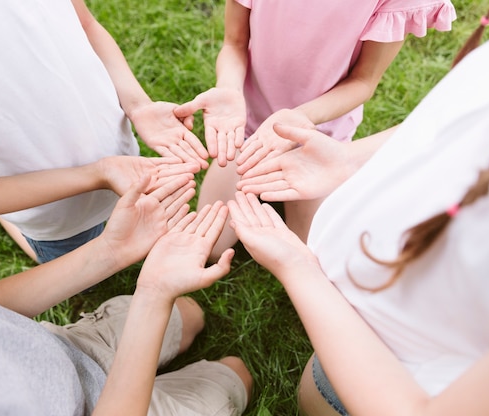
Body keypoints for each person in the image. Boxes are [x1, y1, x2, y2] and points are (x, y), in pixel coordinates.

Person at [227, 11, 489, 416]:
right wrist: (348, 160)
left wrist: (298, 268)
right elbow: (454, 127)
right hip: (361, 323)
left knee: (326, 395)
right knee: (318, 387)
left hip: (399, 372)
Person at [0, 174, 252, 416]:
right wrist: (154, 293)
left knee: (190, 315)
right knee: (236, 376)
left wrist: (110, 251)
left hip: (65, 353)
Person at [0, 0, 208, 264]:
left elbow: (85, 25)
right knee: (81, 273)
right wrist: (98, 173)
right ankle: (3, 209)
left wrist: (138, 105)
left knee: (127, 235)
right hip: (45, 203)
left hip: (119, 153)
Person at [174, 0, 456, 260]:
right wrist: (228, 89)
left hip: (320, 141)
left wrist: (301, 118)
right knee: (207, 248)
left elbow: (364, 81)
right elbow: (234, 43)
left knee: (312, 262)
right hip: (251, 127)